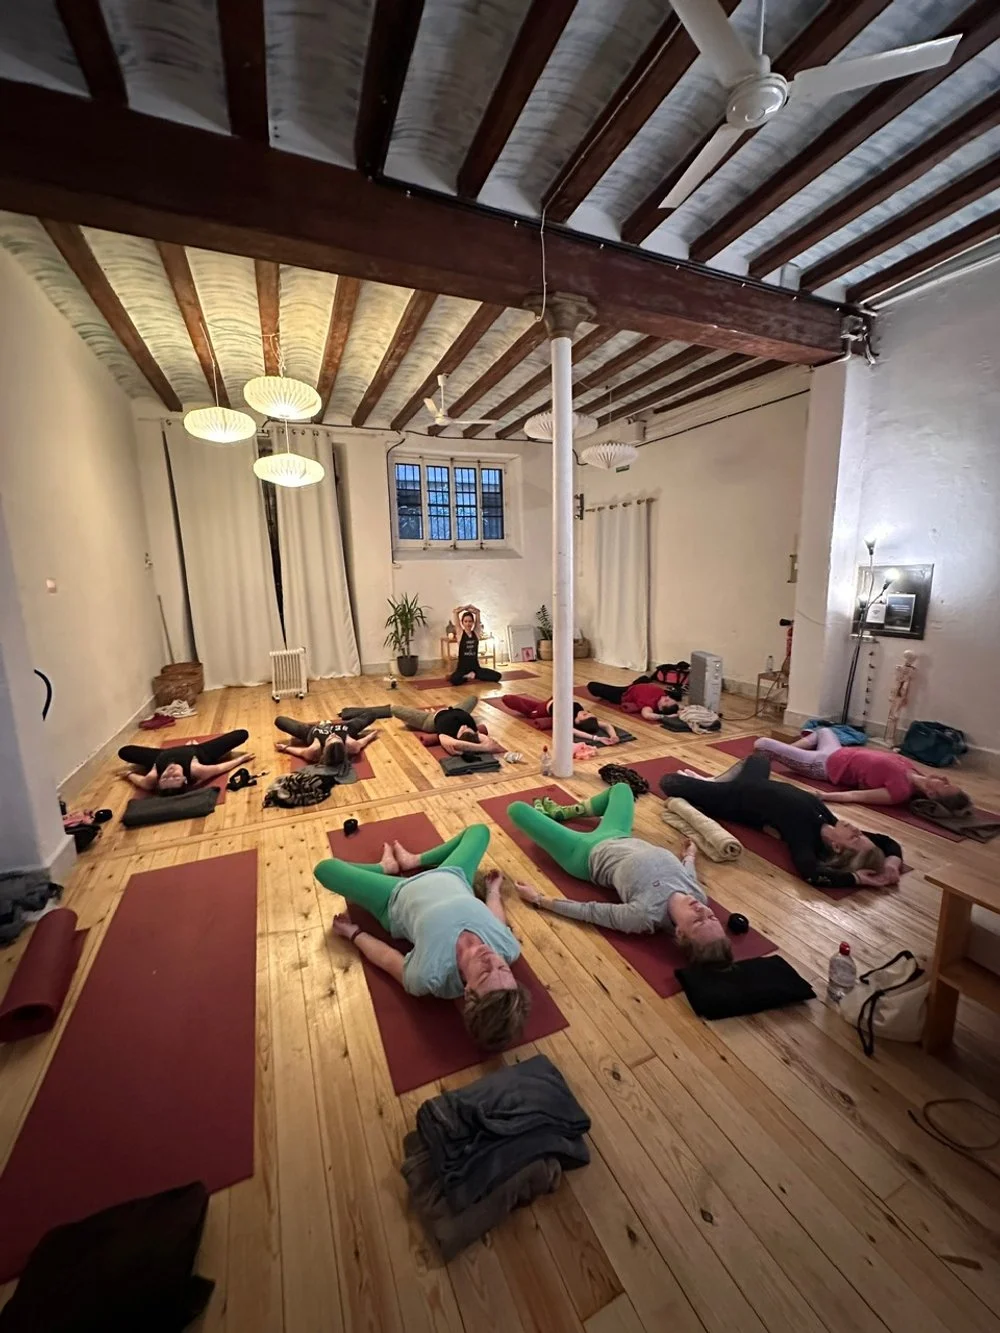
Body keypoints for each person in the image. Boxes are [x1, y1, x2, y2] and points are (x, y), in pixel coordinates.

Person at [314, 824, 531, 1050]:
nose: (492, 959)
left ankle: (385, 867)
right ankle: (414, 860)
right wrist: (493, 891)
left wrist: (353, 933)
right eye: (503, 968)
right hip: (454, 875)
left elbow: (388, 958)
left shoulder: (429, 976)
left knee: (326, 869)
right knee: (480, 831)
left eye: (485, 973)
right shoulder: (508, 948)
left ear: (468, 992)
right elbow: (496, 921)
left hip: (395, 895)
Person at [508, 784, 732, 966]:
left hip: (582, 853)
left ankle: (557, 816)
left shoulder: (645, 915)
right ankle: (565, 812)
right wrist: (690, 856)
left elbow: (590, 912)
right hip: (618, 834)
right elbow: (688, 875)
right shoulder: (699, 896)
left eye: (698, 921)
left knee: (516, 810)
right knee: (622, 788)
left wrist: (538, 899)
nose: (702, 910)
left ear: (680, 933)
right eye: (711, 917)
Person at [660, 754, 904, 891]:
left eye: (855, 838)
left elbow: (810, 873)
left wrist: (857, 879)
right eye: (861, 834)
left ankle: (712, 785)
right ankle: (713, 781)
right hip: (755, 782)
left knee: (669, 782)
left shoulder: (803, 835)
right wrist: (892, 863)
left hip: (731, 798)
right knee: (760, 758)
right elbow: (887, 841)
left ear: (837, 847)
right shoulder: (831, 822)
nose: (857, 830)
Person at [753, 729, 971, 812]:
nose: (944, 778)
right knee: (824, 730)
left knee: (762, 744)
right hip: (837, 751)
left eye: (945, 785)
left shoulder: (900, 791)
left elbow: (857, 795)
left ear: (931, 794)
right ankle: (789, 753)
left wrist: (824, 796)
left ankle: (780, 756)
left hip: (823, 765)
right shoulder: (916, 772)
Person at [341, 699, 504, 756]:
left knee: (395, 709)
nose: (464, 726)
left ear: (458, 736)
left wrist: (477, 748)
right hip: (455, 709)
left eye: (463, 730)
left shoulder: (447, 737)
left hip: (430, 720)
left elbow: (457, 745)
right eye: (468, 728)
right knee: (473, 698)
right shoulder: (474, 732)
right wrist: (483, 746)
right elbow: (492, 744)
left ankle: (352, 712)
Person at [117, 729, 252, 795]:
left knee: (124, 751)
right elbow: (220, 768)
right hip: (201, 751)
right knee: (241, 734)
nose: (170, 773)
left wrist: (128, 774)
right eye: (175, 777)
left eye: (165, 778)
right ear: (185, 779)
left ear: (159, 779)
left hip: (161, 755)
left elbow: (143, 783)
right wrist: (241, 759)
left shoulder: (153, 776)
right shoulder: (196, 769)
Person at [501, 695, 620, 746]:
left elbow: (573, 731)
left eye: (585, 715)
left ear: (579, 722)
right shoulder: (586, 718)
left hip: (539, 711)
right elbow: (607, 725)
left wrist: (597, 738)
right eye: (588, 712)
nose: (586, 712)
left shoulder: (567, 720)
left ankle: (527, 710)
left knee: (508, 699)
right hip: (552, 699)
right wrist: (614, 736)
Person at [274, 715, 379, 764]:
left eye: (329, 739)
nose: (332, 735)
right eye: (337, 738)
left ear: (325, 749)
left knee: (279, 720)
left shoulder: (314, 750)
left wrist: (284, 747)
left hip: (309, 731)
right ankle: (348, 714)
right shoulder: (351, 745)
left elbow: (300, 752)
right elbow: (362, 742)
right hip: (346, 727)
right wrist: (371, 736)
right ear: (343, 746)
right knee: (371, 714)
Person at [450, 609, 502, 686]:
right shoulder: (460, 634)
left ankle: (472, 676)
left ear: (473, 622)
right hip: (462, 669)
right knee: (454, 680)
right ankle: (466, 676)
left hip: (475, 668)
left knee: (498, 676)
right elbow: (455, 612)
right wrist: (465, 607)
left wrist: (470, 607)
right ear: (462, 622)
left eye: (470, 621)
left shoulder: (476, 633)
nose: (468, 624)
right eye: (466, 621)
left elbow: (477, 612)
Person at [586, 680, 679, 721]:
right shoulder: (663, 694)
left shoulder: (649, 706)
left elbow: (647, 715)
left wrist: (666, 717)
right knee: (644, 678)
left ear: (661, 708)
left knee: (592, 685)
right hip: (633, 686)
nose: (667, 698)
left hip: (622, 693)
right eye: (670, 698)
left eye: (666, 701)